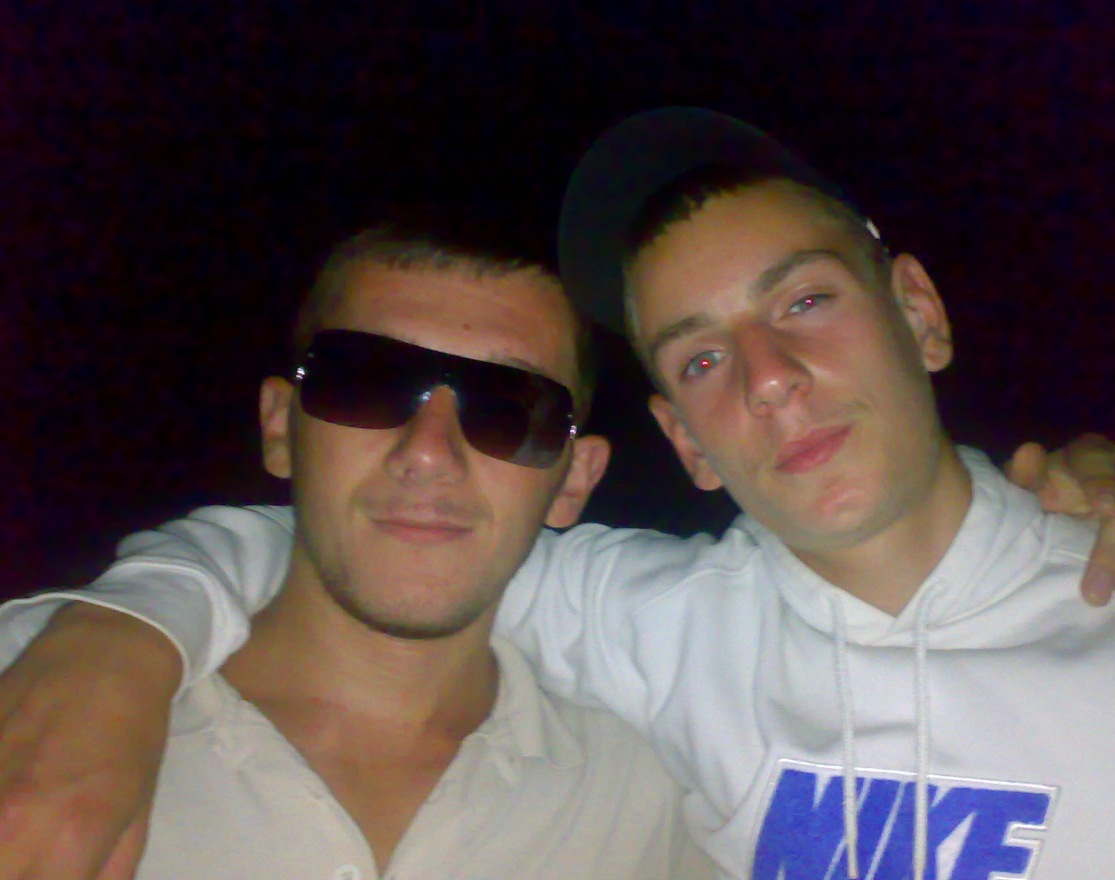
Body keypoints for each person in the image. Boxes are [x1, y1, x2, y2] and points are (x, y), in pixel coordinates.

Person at [0, 110, 1115, 880]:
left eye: (804, 300)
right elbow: (341, 548)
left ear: (917, 312)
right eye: (699, 358)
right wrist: (113, 642)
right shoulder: (658, 629)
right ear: (679, 440)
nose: (768, 378)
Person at [0, 213, 715, 879]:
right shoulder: (34, 738)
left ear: (574, 480)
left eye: (510, 410)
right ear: (279, 426)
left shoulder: (656, 803)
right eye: (368, 383)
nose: (428, 452)